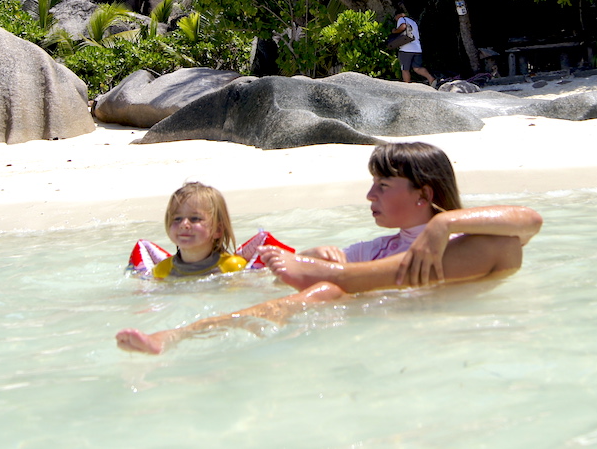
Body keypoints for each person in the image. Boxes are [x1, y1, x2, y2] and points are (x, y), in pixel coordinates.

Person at [115, 142, 541, 354]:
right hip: (387, 338)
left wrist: (445, 222)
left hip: (442, 344)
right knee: (326, 287)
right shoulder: (379, 248)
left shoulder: (477, 242)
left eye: (382, 186)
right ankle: (180, 335)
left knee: (329, 288)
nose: (369, 196)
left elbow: (528, 222)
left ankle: (178, 335)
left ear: (422, 194)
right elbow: (312, 259)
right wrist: (317, 254)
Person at [148, 182, 249, 279]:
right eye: (177, 219)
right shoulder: (161, 271)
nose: (184, 224)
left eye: (195, 218)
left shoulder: (233, 267)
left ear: (217, 230)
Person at [392, 10, 436, 86]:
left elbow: (403, 26)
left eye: (395, 17)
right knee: (417, 68)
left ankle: (407, 86)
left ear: (398, 15)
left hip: (406, 48)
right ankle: (431, 79)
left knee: (405, 69)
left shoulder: (402, 19)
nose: (396, 19)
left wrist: (395, 31)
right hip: (417, 48)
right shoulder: (412, 21)